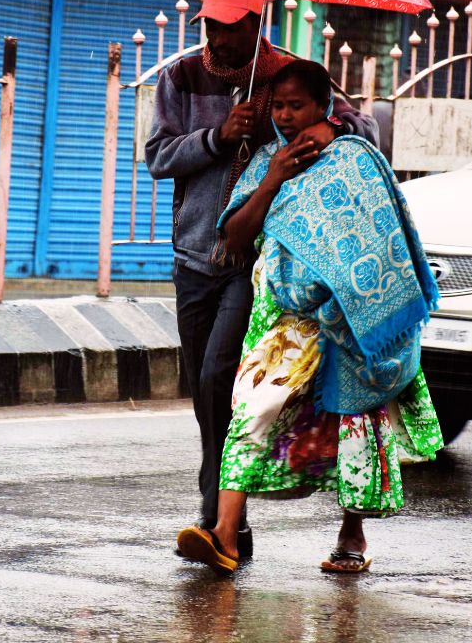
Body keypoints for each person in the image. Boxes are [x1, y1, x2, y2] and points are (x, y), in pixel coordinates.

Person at [175, 59, 444, 576]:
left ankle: (352, 533)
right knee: (251, 408)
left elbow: (385, 241)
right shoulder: (266, 162)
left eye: (296, 105)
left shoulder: (356, 159)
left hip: (352, 320)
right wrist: (273, 178)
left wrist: (356, 298)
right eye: (278, 106)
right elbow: (234, 237)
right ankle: (225, 536)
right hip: (289, 322)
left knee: (356, 427)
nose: (286, 116)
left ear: (323, 105)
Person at [145, 0, 380, 560]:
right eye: (211, 27)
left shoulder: (288, 76)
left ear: (256, 23)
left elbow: (362, 129)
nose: (218, 39)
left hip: (256, 265)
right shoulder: (181, 77)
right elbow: (157, 156)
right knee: (203, 389)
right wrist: (218, 136)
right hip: (197, 254)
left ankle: (219, 522)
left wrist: (304, 130)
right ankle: (228, 521)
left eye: (230, 27)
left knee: (221, 378)